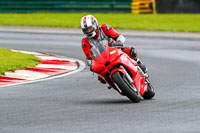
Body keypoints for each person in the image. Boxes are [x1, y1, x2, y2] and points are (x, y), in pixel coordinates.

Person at [80, 15, 147, 84]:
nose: (88, 31)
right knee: (101, 78)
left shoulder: (104, 28)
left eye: (90, 28)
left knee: (131, 51)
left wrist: (119, 42)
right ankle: (117, 84)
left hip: (115, 49)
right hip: (102, 59)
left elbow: (119, 36)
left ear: (95, 25)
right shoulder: (85, 42)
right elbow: (89, 58)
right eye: (86, 30)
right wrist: (91, 65)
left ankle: (139, 64)